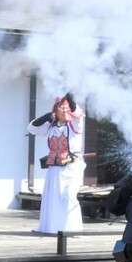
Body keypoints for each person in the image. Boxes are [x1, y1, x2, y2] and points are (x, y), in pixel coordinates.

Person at [26, 93, 85, 234]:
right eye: (62, 108)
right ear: (56, 111)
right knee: (52, 199)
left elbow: (77, 112)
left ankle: (72, 229)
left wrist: (70, 97)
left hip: (72, 168)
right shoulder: (51, 126)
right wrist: (47, 116)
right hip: (54, 169)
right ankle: (51, 228)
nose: (66, 110)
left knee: (69, 196)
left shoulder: (75, 125)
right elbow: (32, 128)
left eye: (67, 108)